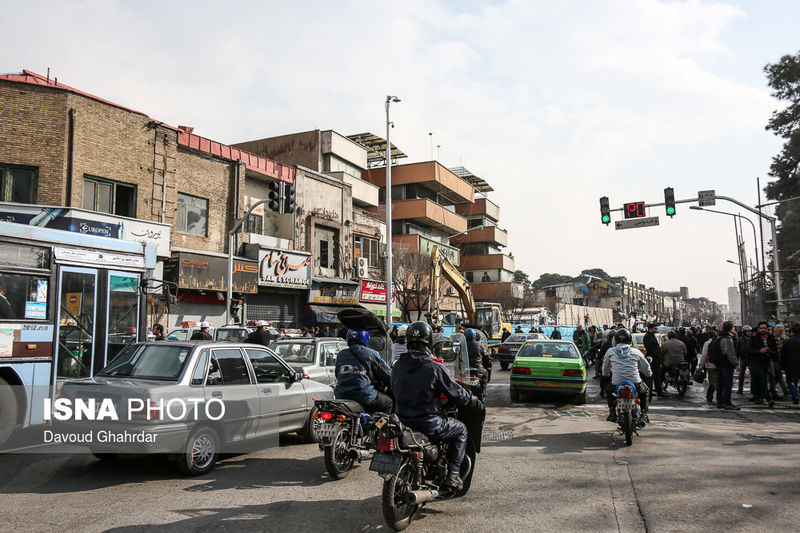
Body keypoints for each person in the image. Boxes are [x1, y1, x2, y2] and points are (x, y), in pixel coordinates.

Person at [392, 321, 482, 491]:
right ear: (429, 341)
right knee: (461, 430)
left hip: (402, 420)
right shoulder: (434, 367)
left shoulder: (397, 366)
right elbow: (457, 394)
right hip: (428, 423)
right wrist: (472, 400)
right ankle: (453, 475)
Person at [334, 327, 393, 413]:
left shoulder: (341, 354)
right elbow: (387, 374)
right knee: (388, 403)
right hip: (364, 395)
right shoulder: (370, 353)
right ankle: (379, 426)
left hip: (341, 395)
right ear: (365, 338)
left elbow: (337, 374)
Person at [602, 329, 652, 423]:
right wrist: (648, 374)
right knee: (645, 391)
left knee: (608, 391)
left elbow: (605, 367)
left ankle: (612, 412)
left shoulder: (610, 351)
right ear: (630, 339)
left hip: (616, 382)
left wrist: (605, 374)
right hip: (635, 382)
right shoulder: (636, 352)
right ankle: (644, 414)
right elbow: (645, 366)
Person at [749, 321, 778, 407]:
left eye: (764, 328)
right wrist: (759, 351)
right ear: (758, 329)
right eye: (761, 328)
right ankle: (769, 399)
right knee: (762, 379)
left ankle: (759, 397)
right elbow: (749, 350)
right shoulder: (754, 338)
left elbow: (774, 350)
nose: (763, 330)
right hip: (756, 362)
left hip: (766, 361)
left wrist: (770, 352)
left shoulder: (771, 337)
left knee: (761, 380)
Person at [714, 321, 740, 410]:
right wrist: (736, 363)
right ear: (731, 328)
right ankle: (727, 403)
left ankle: (720, 402)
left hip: (719, 364)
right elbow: (730, 353)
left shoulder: (719, 337)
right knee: (728, 384)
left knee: (720, 383)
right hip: (726, 364)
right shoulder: (727, 338)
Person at [643, 323, 666, 397]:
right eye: (655, 328)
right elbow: (650, 348)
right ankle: (651, 391)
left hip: (656, 359)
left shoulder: (652, 336)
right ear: (650, 329)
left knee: (657, 376)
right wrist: (657, 355)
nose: (656, 330)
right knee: (652, 376)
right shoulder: (647, 337)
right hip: (652, 359)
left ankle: (658, 390)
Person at [780, 323, 800, 405]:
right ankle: (795, 394)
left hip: (790, 366)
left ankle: (795, 395)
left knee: (789, 381)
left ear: (792, 332)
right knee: (795, 380)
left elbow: (782, 354)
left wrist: (782, 366)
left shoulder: (787, 341)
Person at [699, 329, 718, 403]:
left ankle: (718, 395)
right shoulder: (720, 342)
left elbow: (704, 355)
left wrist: (701, 366)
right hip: (719, 364)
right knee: (715, 381)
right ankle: (709, 395)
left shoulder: (707, 343)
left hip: (710, 365)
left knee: (713, 381)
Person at [772, 325, 790, 398]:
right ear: (776, 330)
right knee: (778, 375)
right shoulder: (772, 338)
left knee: (777, 376)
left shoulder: (783, 338)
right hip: (774, 360)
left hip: (780, 359)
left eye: (782, 331)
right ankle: (784, 390)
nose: (781, 332)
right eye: (780, 331)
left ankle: (782, 390)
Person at [736, 325, 753, 394]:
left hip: (751, 359)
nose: (749, 333)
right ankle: (740, 389)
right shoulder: (740, 340)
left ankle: (753, 389)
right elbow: (737, 351)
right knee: (741, 375)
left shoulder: (752, 339)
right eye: (747, 332)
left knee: (753, 375)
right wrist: (737, 363)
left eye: (750, 332)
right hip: (743, 359)